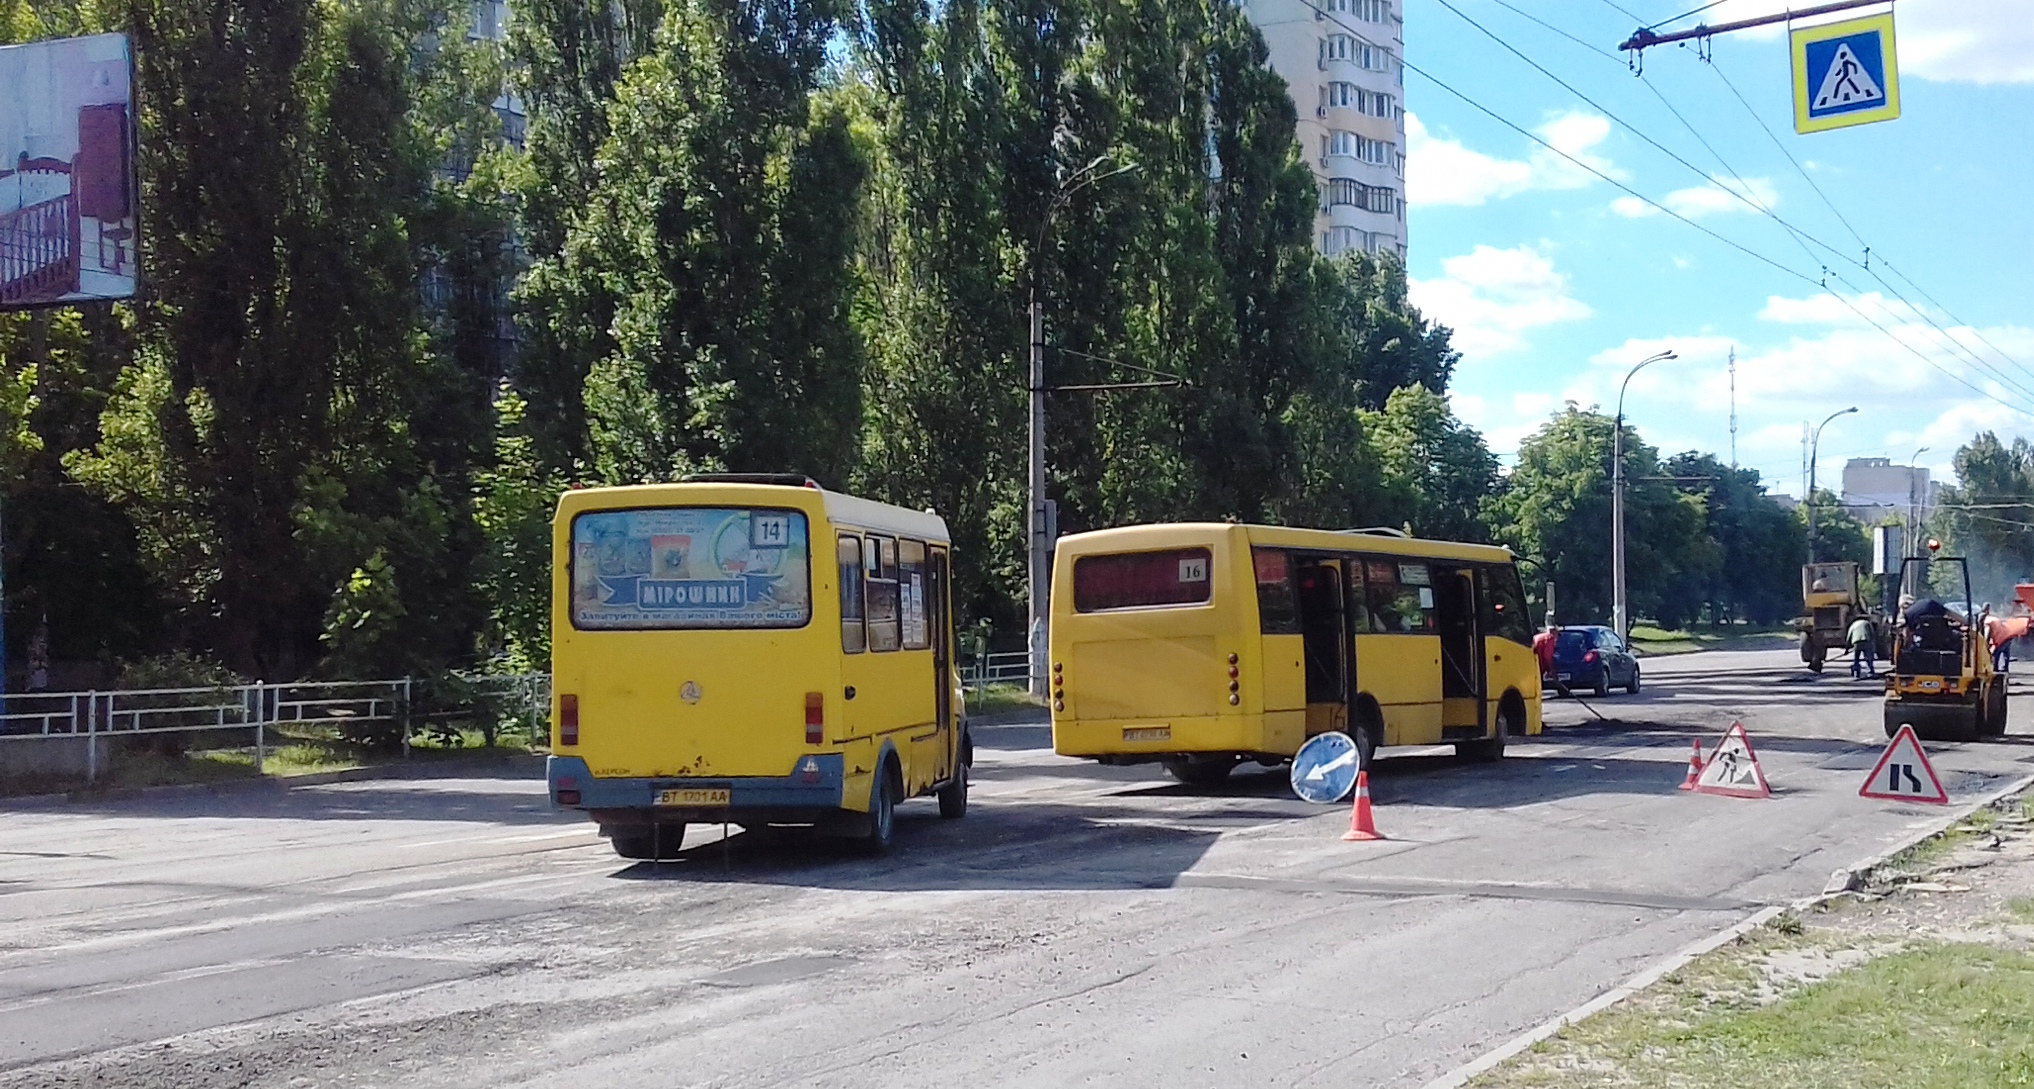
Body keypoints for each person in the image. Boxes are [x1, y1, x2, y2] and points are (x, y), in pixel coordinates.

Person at [1847, 614, 1877, 679]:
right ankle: (1871, 672)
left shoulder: (1853, 624)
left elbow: (1849, 636)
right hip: (1866, 640)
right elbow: (1872, 633)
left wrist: (1847, 648)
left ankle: (1856, 673)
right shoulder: (1867, 623)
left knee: (1856, 658)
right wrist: (1873, 644)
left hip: (1856, 642)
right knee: (1868, 657)